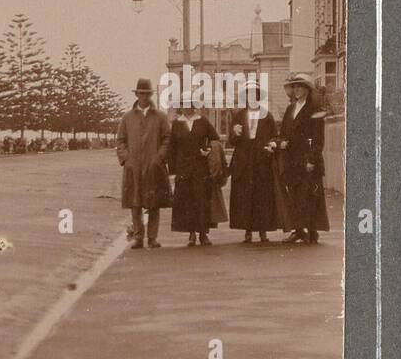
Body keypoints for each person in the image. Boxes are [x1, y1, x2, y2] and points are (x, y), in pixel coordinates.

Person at [116, 77, 171, 250]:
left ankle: (152, 238)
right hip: (134, 167)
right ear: (137, 94)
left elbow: (167, 139)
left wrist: (159, 157)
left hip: (154, 166)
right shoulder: (127, 118)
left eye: (147, 94)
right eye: (141, 93)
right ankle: (138, 237)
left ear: (151, 95)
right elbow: (121, 140)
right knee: (136, 202)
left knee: (153, 203)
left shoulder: (160, 117)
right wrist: (126, 159)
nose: (144, 97)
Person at [227, 80, 282, 243]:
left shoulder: (267, 115)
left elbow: (274, 137)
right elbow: (232, 141)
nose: (251, 97)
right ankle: (248, 230)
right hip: (243, 162)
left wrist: (271, 146)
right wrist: (235, 133)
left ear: (258, 97)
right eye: (248, 94)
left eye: (254, 94)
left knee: (262, 197)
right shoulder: (238, 116)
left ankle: (263, 231)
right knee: (245, 197)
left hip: (261, 161)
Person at [277, 74, 330, 243]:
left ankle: (313, 231)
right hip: (292, 159)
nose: (297, 89)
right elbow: (284, 132)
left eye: (300, 86)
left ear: (307, 89)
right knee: (295, 196)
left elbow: (318, 138)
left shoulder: (314, 109)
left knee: (311, 196)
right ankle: (298, 230)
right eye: (294, 86)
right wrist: (282, 142)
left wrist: (312, 160)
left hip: (307, 159)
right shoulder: (290, 108)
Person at [169, 101, 221, 246]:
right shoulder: (176, 124)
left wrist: (208, 150)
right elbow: (171, 149)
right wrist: (172, 172)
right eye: (184, 105)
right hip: (183, 169)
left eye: (189, 104)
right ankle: (191, 234)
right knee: (187, 201)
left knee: (202, 200)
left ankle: (203, 234)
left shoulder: (202, 121)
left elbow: (215, 138)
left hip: (200, 167)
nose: (187, 108)